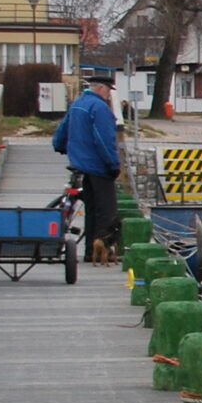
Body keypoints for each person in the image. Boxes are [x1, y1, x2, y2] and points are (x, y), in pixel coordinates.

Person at [53, 67, 124, 260]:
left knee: (91, 209)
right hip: (97, 166)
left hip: (81, 164)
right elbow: (104, 140)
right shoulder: (99, 108)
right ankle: (104, 251)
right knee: (106, 211)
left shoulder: (78, 104)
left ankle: (88, 251)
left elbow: (62, 130)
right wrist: (113, 165)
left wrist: (59, 146)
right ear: (101, 88)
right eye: (109, 90)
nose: (109, 95)